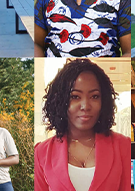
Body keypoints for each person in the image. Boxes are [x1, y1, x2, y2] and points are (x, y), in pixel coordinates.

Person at [35, 59, 130, 190]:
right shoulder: (42, 152)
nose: (85, 106)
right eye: (75, 96)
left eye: (94, 96)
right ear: (60, 100)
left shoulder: (123, 145)